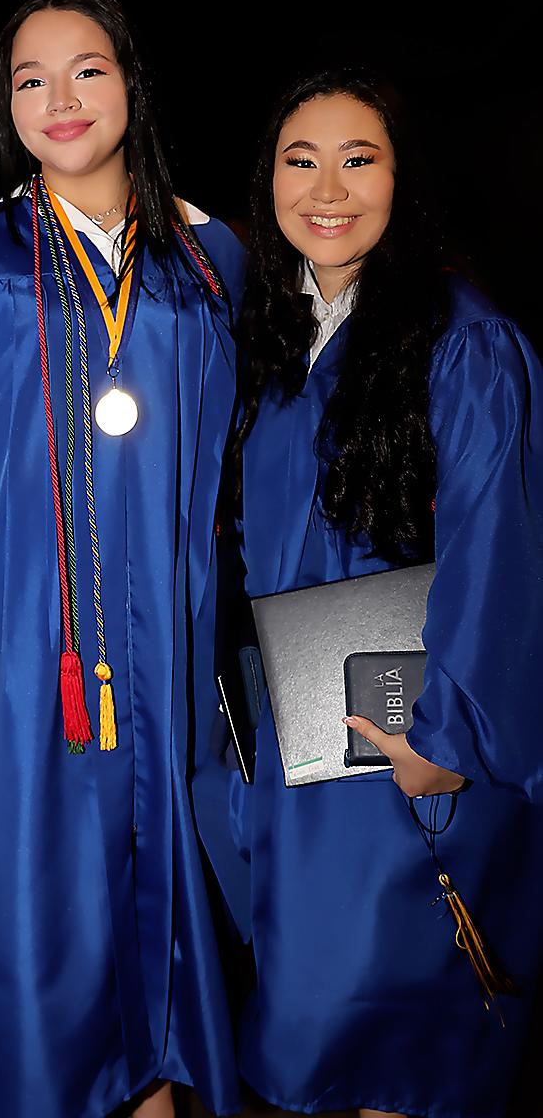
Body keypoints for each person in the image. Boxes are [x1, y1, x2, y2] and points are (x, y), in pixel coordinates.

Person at [0, 0, 246, 1118]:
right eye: (31, 79)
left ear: (133, 80)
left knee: (160, 972)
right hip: (16, 666)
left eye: (87, 69)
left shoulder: (207, 262)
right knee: (32, 967)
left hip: (166, 663)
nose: (61, 99)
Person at [202, 69, 543, 1118]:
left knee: (402, 1060)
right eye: (300, 161)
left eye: (361, 158)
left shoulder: (460, 339)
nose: (328, 187)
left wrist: (452, 739)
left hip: (415, 756)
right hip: (304, 757)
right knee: (313, 1047)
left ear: (405, 178)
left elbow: (502, 551)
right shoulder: (270, 341)